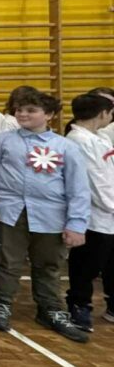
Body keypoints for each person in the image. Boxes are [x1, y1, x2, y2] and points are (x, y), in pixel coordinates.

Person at [0, 90, 91, 342]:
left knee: (49, 264)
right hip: (10, 212)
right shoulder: (3, 140)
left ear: (49, 115)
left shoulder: (66, 147)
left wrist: (77, 223)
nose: (22, 114)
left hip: (51, 215)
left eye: (31, 110)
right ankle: (1, 302)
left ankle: (50, 309)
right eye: (19, 109)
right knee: (6, 260)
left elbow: (78, 188)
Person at [64, 93, 114, 332]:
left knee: (109, 261)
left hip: (108, 213)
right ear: (103, 113)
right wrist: (111, 205)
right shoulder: (79, 141)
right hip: (92, 215)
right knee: (87, 264)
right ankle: (79, 304)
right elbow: (95, 181)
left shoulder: (98, 138)